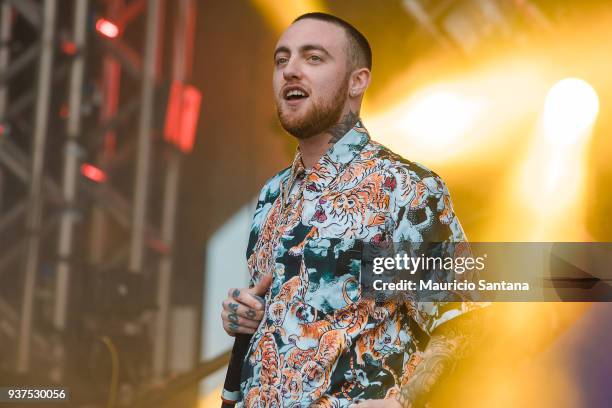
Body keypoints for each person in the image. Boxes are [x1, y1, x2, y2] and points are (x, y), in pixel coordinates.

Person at [221, 12, 484, 408]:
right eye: (282, 59)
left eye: (313, 58)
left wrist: (401, 403)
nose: (290, 69)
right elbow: (287, 320)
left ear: (357, 81)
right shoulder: (271, 195)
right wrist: (249, 317)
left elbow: (464, 319)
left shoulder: (402, 188)